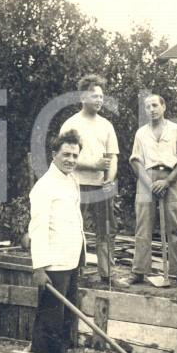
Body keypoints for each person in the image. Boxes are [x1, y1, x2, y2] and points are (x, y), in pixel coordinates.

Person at [59, 74, 128, 289]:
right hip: (76, 185)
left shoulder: (106, 125)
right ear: (82, 97)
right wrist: (93, 165)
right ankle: (72, 272)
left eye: (101, 96)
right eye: (94, 96)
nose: (99, 100)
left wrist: (109, 179)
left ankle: (107, 275)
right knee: (72, 227)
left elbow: (113, 156)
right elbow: (64, 158)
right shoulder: (71, 124)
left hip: (101, 186)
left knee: (106, 230)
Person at [28, 130, 85, 353]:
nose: (71, 160)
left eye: (75, 155)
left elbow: (75, 222)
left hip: (70, 262)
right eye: (66, 154)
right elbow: (38, 229)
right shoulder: (45, 186)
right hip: (53, 266)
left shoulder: (71, 180)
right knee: (49, 322)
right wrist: (39, 268)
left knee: (66, 320)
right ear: (54, 155)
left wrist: (80, 258)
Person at [126, 94, 177, 286]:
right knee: (143, 226)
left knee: (176, 226)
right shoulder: (141, 133)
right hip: (147, 179)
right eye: (147, 107)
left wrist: (167, 181)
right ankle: (138, 272)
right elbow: (135, 161)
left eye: (154, 105)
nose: (151, 109)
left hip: (171, 178)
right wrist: (149, 183)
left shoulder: (176, 130)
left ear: (163, 107)